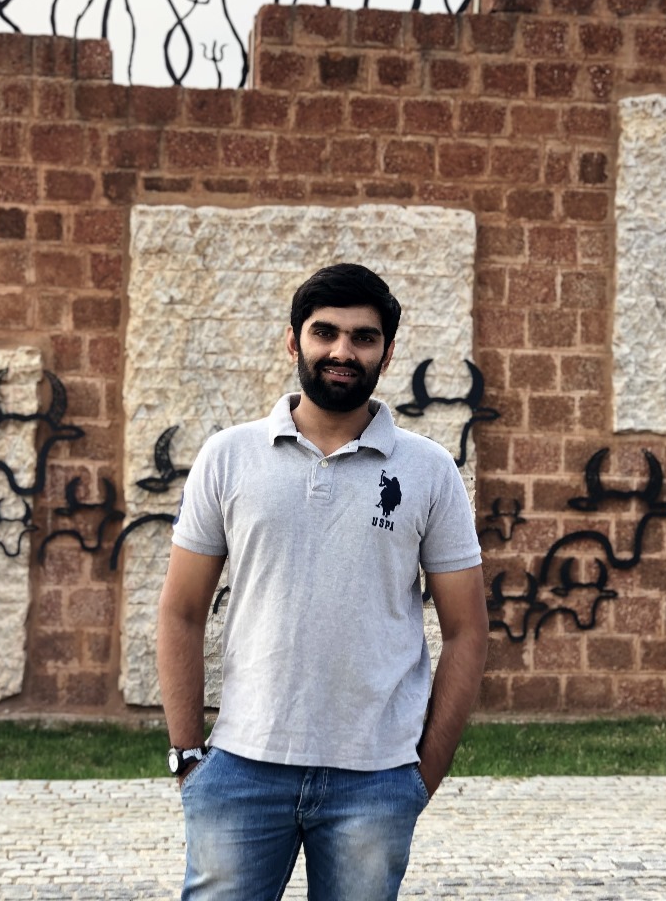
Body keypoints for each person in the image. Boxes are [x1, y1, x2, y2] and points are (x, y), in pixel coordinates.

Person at [156, 263, 488, 900]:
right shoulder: (228, 456)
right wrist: (188, 755)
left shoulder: (429, 470)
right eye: (324, 332)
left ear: (387, 352)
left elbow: (468, 629)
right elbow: (181, 611)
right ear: (293, 341)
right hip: (241, 767)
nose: (342, 351)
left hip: (376, 776)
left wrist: (424, 773)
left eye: (363, 337)